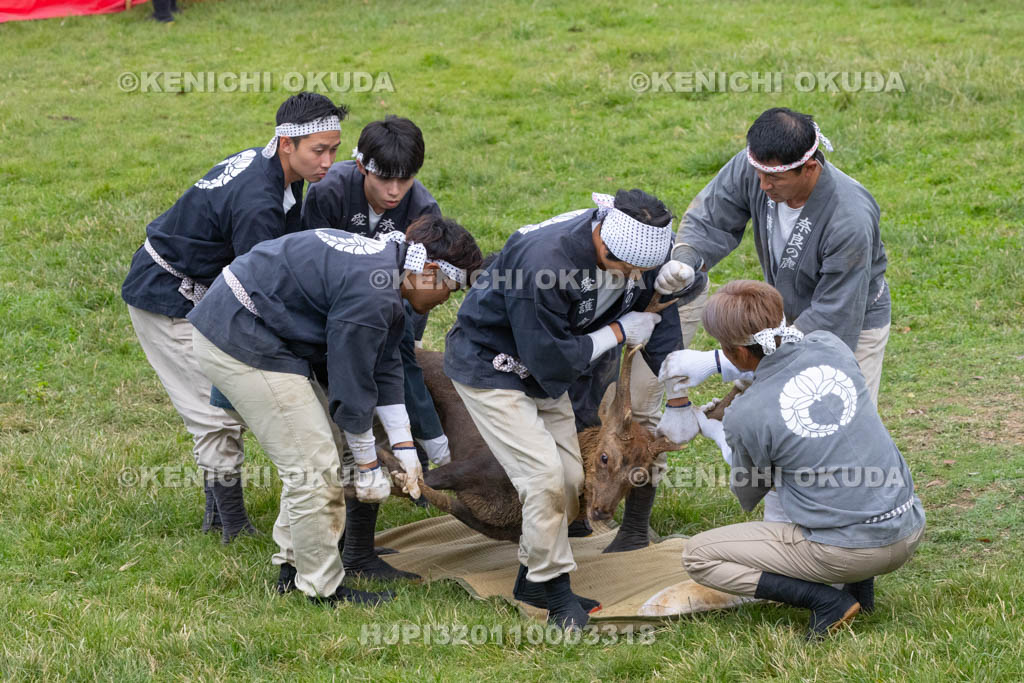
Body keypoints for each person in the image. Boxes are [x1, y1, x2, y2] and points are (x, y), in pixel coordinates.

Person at [189, 215, 482, 605]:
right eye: (452, 289)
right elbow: (351, 382)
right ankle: (321, 588)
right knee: (315, 464)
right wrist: (367, 466)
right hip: (240, 334)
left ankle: (293, 567)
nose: (449, 300)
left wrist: (406, 450)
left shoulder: (389, 272)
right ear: (429, 271)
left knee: (315, 452)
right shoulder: (373, 292)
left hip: (263, 330)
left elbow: (387, 366)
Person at [444, 189, 703, 629]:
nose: (632, 277)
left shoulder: (638, 248)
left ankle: (530, 577)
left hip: (551, 371)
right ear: (601, 241)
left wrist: (677, 396)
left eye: (642, 271)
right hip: (494, 366)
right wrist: (619, 331)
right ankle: (556, 593)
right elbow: (548, 356)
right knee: (542, 479)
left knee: (568, 478)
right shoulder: (544, 263)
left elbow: (658, 317)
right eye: (625, 269)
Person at [121, 92, 346, 542]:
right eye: (319, 150)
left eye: (334, 149)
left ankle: (221, 513)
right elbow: (260, 288)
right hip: (169, 295)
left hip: (207, 289)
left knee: (227, 398)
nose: (328, 161)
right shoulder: (257, 202)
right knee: (215, 410)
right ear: (287, 143)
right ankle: (229, 521)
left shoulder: (276, 167)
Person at [653, 107, 891, 521]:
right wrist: (687, 260)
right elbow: (713, 215)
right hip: (782, 317)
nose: (761, 186)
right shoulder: (760, 166)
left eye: (774, 179)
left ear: (810, 167)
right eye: (758, 174)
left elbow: (831, 325)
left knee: (828, 431)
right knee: (781, 422)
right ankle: (791, 536)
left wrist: (719, 362)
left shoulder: (849, 218)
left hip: (849, 324)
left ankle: (851, 541)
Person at [680, 280, 924, 640]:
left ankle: (826, 601)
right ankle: (859, 591)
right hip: (909, 526)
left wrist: (719, 434)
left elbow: (748, 495)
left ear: (735, 354)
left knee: (698, 556)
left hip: (852, 552)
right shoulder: (830, 345)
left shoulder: (746, 413)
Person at [302, 116, 448, 467]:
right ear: (361, 166)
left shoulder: (424, 211)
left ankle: (422, 462)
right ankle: (353, 456)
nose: (395, 191)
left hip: (392, 307)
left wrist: (405, 334)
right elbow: (310, 262)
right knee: (340, 380)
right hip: (330, 306)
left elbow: (418, 290)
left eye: (406, 179)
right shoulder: (328, 193)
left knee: (398, 365)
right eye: (384, 178)